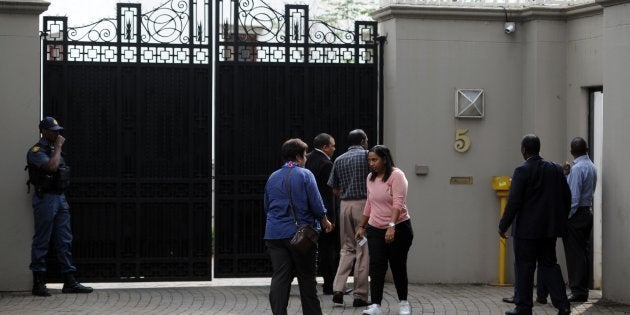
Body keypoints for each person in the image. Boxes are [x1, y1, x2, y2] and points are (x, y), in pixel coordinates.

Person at [498, 134, 571, 315]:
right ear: (538, 148)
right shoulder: (555, 169)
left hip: (526, 232)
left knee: (524, 267)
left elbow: (513, 202)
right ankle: (563, 305)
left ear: (524, 150)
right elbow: (567, 196)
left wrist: (502, 225)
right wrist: (559, 219)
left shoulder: (521, 171)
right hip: (548, 231)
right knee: (550, 265)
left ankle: (523, 308)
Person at [263, 138, 333, 315]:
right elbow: (316, 204)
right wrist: (325, 221)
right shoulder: (305, 174)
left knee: (280, 277)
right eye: (305, 155)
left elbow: (267, 205)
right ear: (298, 157)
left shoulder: (272, 177)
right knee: (306, 278)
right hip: (301, 235)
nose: (306, 159)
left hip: (274, 234)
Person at [26, 116, 93, 296]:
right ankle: (38, 282)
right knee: (42, 240)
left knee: (64, 240)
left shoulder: (53, 148)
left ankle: (69, 281)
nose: (57, 133)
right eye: (53, 131)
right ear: (44, 131)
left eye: (58, 131)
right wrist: (59, 148)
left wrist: (57, 148)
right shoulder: (36, 150)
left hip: (59, 198)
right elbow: (52, 167)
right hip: (45, 199)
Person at [355, 145, 414, 315]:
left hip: (399, 227)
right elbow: (369, 202)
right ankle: (376, 305)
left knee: (397, 265)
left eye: (375, 160)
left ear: (384, 159)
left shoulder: (397, 176)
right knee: (376, 266)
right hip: (375, 228)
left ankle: (403, 303)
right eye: (369, 160)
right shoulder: (370, 178)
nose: (371, 163)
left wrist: (392, 226)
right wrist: (362, 225)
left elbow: (398, 203)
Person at [327, 129, 371, 307]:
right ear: (362, 141)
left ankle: (338, 288)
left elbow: (334, 187)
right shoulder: (368, 156)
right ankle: (360, 295)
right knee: (363, 249)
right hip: (363, 207)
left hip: (344, 206)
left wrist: (345, 193)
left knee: (346, 248)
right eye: (366, 140)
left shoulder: (338, 159)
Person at [562, 137, 597, 302]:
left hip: (576, 215)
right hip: (587, 212)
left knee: (574, 254)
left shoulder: (577, 169)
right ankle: (583, 289)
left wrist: (566, 217)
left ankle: (577, 291)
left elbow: (573, 198)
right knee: (583, 253)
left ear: (571, 151)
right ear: (587, 149)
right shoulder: (591, 166)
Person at [305, 133, 339, 295]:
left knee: (304, 246)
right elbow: (329, 193)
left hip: (306, 213)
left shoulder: (306, 158)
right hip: (323, 213)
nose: (334, 148)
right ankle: (328, 285)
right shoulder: (326, 164)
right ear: (325, 147)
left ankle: (307, 281)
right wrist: (330, 218)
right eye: (332, 145)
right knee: (327, 250)